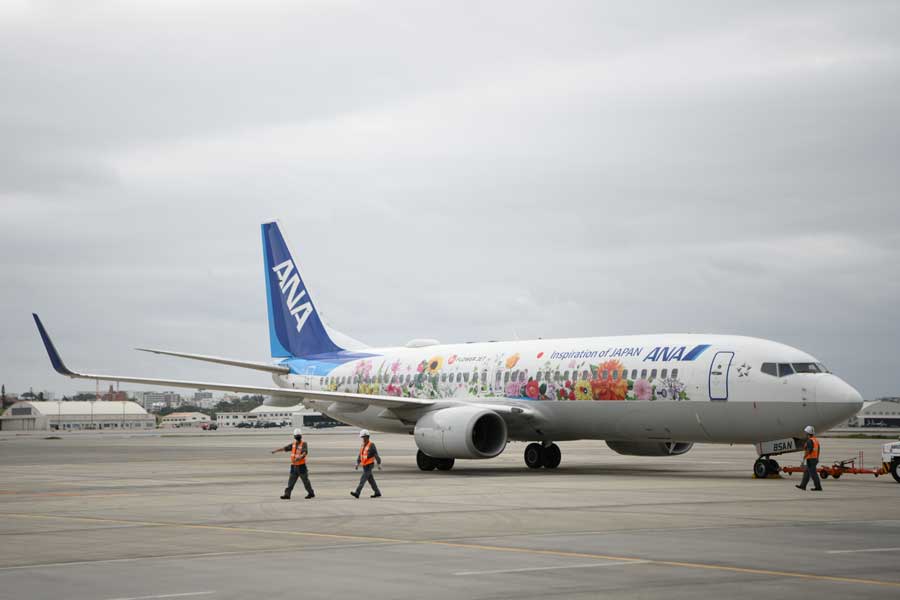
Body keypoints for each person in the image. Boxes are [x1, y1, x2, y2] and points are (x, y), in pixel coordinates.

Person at [271, 428, 315, 500]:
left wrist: (299, 457)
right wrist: (276, 451)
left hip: (301, 467)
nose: (297, 436)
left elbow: (304, 452)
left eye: (298, 435)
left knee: (305, 481)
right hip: (294, 466)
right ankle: (287, 495)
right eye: (296, 435)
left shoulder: (304, 444)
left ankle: (311, 493)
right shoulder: (293, 444)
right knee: (290, 482)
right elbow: (285, 448)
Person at [350, 429, 382, 498]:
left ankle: (357, 493)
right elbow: (360, 455)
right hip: (364, 465)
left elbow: (376, 455)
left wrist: (379, 464)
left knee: (363, 479)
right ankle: (377, 492)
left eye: (363, 437)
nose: (362, 439)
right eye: (362, 437)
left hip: (369, 465)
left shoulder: (371, 445)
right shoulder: (363, 445)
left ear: (367, 437)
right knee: (371, 480)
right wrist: (357, 463)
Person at [796, 425, 823, 491]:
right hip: (814, 458)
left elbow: (808, 450)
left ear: (808, 433)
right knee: (806, 472)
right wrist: (817, 458)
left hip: (810, 459)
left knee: (813, 474)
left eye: (806, 433)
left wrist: (804, 458)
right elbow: (818, 450)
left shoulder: (809, 441)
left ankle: (818, 487)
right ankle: (803, 486)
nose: (805, 434)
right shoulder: (815, 440)